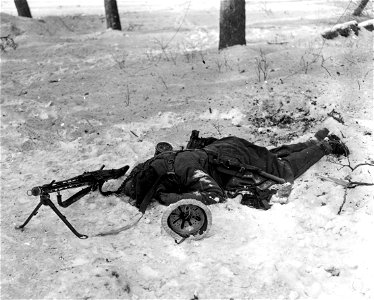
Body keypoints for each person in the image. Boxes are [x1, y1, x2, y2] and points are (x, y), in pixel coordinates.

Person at [117, 129, 349, 212]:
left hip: (231, 158)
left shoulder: (185, 171)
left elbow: (215, 195)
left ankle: (326, 146)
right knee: (268, 155)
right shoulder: (151, 165)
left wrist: (174, 197)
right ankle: (311, 142)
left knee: (283, 169)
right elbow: (132, 184)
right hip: (223, 147)